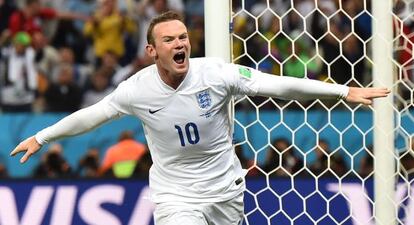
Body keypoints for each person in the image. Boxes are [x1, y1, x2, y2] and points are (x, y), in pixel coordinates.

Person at [10, 11, 390, 225]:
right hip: (176, 197)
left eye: (182, 37)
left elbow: (277, 85)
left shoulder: (215, 73)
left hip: (225, 190)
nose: (180, 44)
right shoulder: (135, 89)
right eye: (169, 40)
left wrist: (343, 91)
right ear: (151, 50)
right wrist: (42, 137)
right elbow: (92, 117)